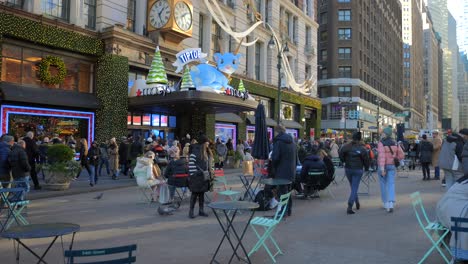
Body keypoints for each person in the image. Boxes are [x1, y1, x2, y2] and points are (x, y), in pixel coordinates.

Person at [339, 132, 369, 214]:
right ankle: (350, 204)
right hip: (358, 169)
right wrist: (366, 168)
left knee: (353, 187)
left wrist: (344, 161)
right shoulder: (362, 149)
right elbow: (366, 160)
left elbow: (341, 154)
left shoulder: (346, 147)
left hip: (348, 168)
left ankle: (357, 202)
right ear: (360, 139)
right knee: (354, 187)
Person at [271, 125, 297, 216]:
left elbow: (275, 157)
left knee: (282, 192)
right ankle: (288, 210)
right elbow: (296, 158)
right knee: (287, 191)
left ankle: (283, 211)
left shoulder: (278, 142)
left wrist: (273, 165)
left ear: (277, 132)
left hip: (281, 171)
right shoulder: (292, 142)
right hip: (291, 171)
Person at [377, 127, 405, 213]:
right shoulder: (395, 142)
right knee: (391, 184)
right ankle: (391, 203)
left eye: (383, 133)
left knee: (383, 184)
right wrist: (398, 160)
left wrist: (382, 169)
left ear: (385, 134)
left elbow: (382, 156)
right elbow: (401, 154)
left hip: (383, 166)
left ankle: (385, 203)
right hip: (392, 165)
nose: (382, 134)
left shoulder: (381, 143)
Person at [188, 134, 213, 218]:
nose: (208, 144)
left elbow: (207, 164)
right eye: (207, 142)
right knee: (194, 195)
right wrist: (196, 174)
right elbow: (191, 165)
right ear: (203, 143)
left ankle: (201, 210)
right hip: (196, 178)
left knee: (201, 195)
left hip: (203, 178)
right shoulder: (195, 152)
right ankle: (191, 211)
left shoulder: (205, 152)